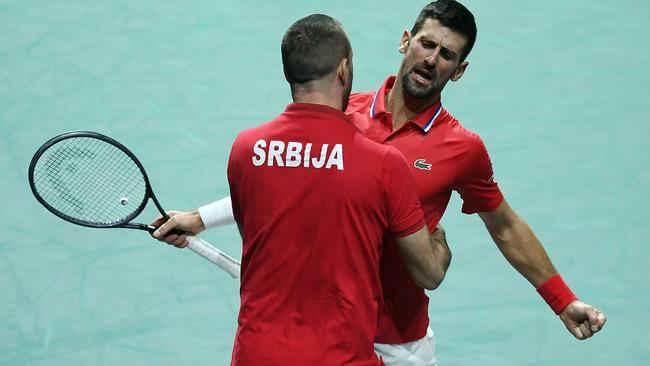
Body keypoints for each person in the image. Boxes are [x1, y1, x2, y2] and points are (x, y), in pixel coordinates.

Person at [155, 1, 606, 365]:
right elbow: (287, 181)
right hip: (329, 333)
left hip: (397, 341)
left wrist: (562, 300)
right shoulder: (340, 113)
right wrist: (199, 218)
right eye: (426, 44)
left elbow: (504, 226)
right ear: (405, 41)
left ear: (460, 70)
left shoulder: (462, 148)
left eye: (447, 54)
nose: (432, 59)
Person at [154, 14, 450, 366]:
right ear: (343, 70)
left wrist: (198, 218)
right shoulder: (384, 164)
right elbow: (429, 274)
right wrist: (440, 243)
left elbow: (264, 218)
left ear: (288, 73)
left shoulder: (246, 149)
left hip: (255, 356)